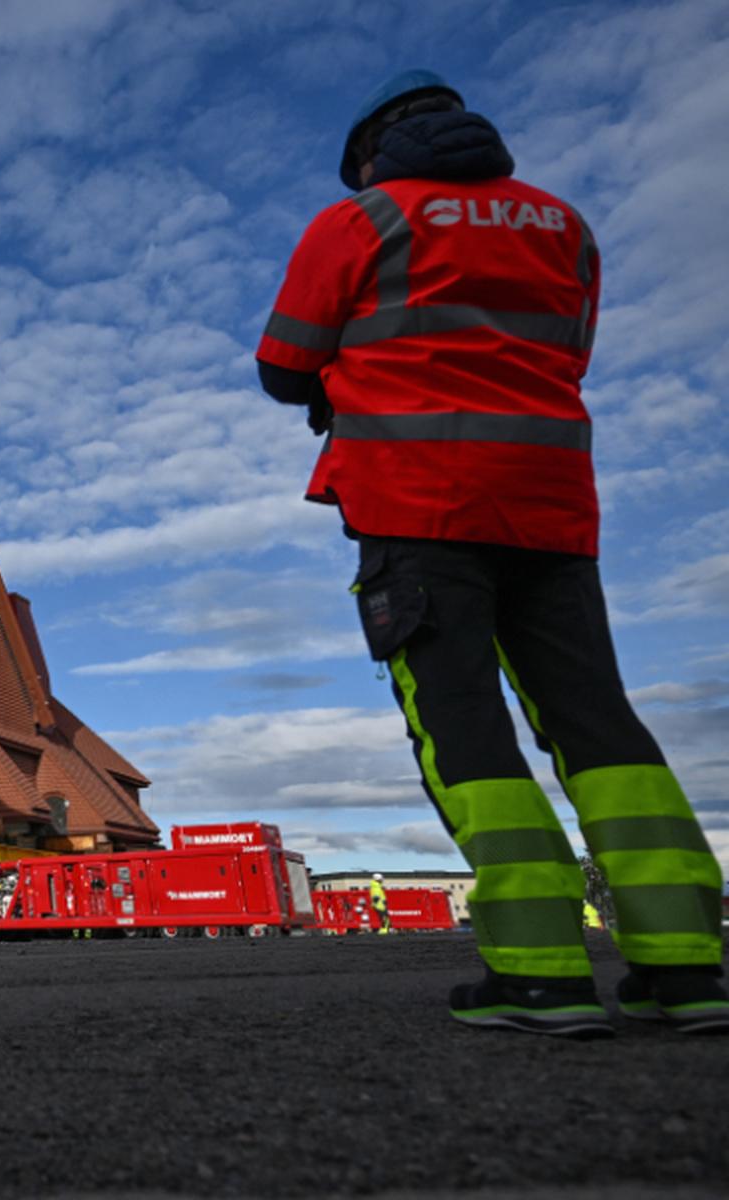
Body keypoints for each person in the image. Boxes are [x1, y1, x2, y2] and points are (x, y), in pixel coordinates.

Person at [257, 69, 726, 1037]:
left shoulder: (361, 224)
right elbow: (566, 354)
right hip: (552, 512)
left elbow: (281, 362)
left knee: (464, 722)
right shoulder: (566, 229)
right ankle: (687, 970)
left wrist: (355, 375)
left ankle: (542, 975)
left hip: (419, 508)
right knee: (599, 723)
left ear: (375, 150)